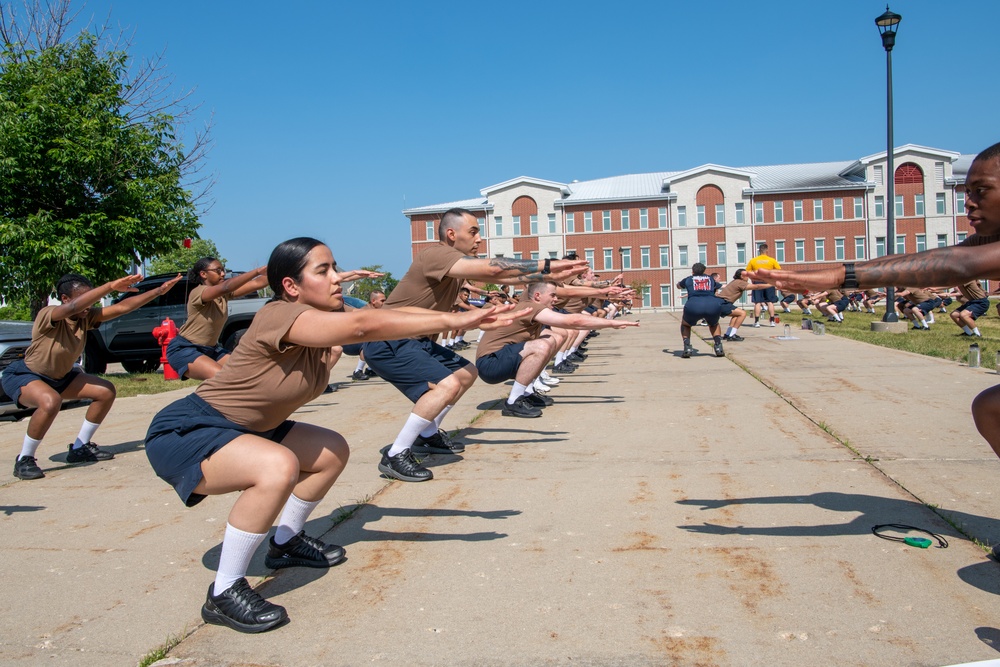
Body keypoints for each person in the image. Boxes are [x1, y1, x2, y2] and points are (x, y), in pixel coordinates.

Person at [143, 237, 518, 634]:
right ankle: (224, 591)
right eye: (323, 271)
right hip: (188, 431)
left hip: (251, 428)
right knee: (278, 466)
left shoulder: (321, 336)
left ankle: (286, 543)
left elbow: (383, 317)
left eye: (335, 268)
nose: (337, 279)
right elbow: (363, 323)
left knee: (331, 451)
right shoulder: (279, 314)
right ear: (291, 287)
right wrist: (458, 320)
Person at [749, 140, 1000, 461]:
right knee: (990, 408)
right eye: (967, 192)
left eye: (981, 191)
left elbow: (959, 266)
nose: (968, 203)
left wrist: (839, 275)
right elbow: (938, 259)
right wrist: (821, 275)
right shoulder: (986, 238)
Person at [362, 208, 587, 483]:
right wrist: (546, 265)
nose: (479, 238)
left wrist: (547, 273)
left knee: (466, 373)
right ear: (451, 234)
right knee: (448, 384)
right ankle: (396, 455)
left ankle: (427, 435)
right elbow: (492, 268)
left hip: (415, 340)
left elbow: (503, 277)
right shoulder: (436, 255)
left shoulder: (454, 268)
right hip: (389, 339)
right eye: (473, 231)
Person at [4, 272, 183, 480]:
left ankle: (80, 447)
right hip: (25, 375)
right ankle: (24, 459)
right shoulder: (49, 313)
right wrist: (111, 285)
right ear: (65, 299)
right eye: (84, 299)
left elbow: (123, 307)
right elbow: (72, 308)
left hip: (60, 377)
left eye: (91, 299)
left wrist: (159, 291)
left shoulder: (85, 317)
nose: (89, 305)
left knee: (105, 391)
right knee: (50, 401)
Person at [475, 282, 639, 417]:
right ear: (538, 296)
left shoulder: (531, 304)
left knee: (553, 338)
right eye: (552, 295)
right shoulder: (532, 307)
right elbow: (572, 321)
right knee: (542, 345)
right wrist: (612, 323)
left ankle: (526, 392)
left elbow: (570, 292)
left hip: (500, 359)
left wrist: (606, 292)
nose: (556, 299)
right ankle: (513, 402)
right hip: (490, 364)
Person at [166, 259, 270, 381]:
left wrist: (281, 270)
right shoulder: (198, 292)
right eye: (218, 270)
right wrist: (256, 271)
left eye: (223, 270)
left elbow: (258, 283)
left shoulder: (223, 295)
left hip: (211, 349)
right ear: (203, 274)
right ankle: (197, 400)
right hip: (184, 348)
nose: (222, 274)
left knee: (248, 373)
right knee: (224, 379)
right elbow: (226, 287)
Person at [676, 263, 725, 358]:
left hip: (693, 305)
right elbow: (721, 286)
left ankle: (687, 347)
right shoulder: (710, 279)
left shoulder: (688, 279)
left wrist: (679, 284)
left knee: (686, 324)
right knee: (714, 324)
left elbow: (679, 286)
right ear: (704, 271)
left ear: (693, 271)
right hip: (712, 305)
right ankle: (718, 346)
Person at [717, 269, 773, 341]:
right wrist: (771, 285)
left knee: (736, 315)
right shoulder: (740, 282)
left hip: (721, 303)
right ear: (742, 276)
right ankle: (732, 335)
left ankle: (728, 334)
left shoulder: (735, 282)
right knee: (742, 313)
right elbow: (756, 287)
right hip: (723, 303)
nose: (748, 277)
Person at [746, 243, 781, 327]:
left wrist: (753, 280)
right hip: (769, 282)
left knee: (757, 302)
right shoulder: (772, 260)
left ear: (759, 250)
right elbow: (779, 271)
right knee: (770, 302)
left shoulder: (753, 260)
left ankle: (757, 322)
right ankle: (772, 321)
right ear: (767, 250)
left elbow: (748, 272)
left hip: (757, 282)